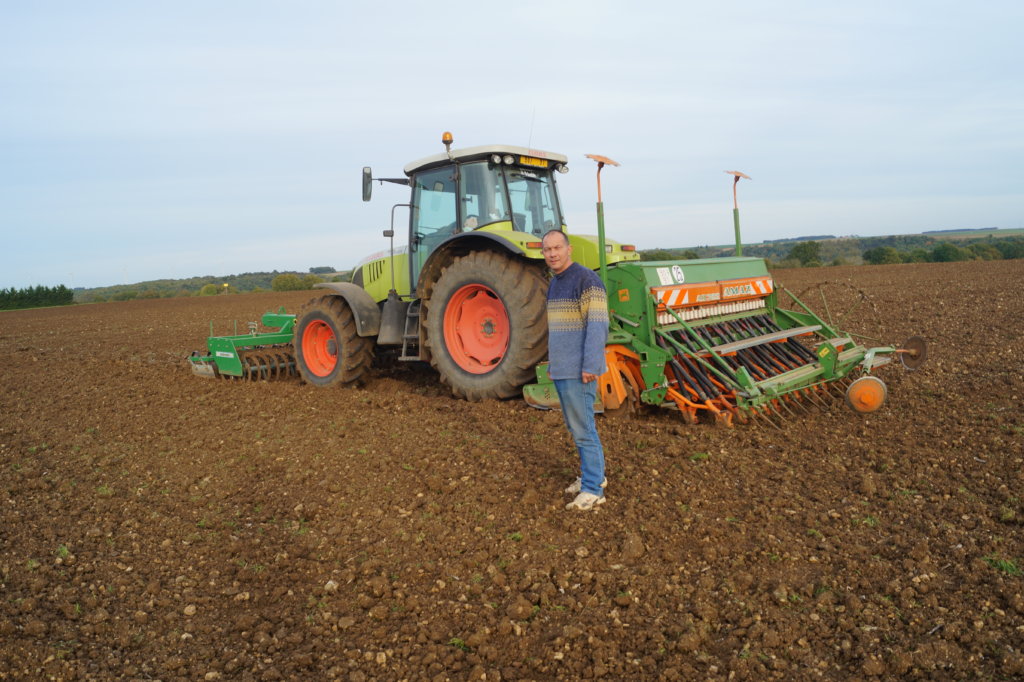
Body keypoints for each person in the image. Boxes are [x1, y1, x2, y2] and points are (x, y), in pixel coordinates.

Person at [541, 229, 609, 511]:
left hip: (580, 370)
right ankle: (591, 477)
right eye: (547, 250)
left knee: (584, 429)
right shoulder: (555, 283)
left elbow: (597, 324)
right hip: (562, 368)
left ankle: (594, 489)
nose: (553, 254)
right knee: (575, 426)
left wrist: (591, 365)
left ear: (569, 249)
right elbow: (557, 329)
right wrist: (552, 363)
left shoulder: (586, 280)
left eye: (557, 248)